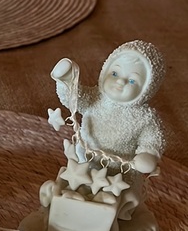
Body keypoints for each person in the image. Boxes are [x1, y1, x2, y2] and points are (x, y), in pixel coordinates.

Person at [51, 40, 166, 174]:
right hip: (83, 160)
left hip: (119, 171)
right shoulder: (95, 97)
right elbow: (74, 99)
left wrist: (147, 155)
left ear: (147, 88)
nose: (120, 81)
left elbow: (153, 138)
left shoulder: (144, 117)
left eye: (132, 81)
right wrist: (67, 80)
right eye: (115, 74)